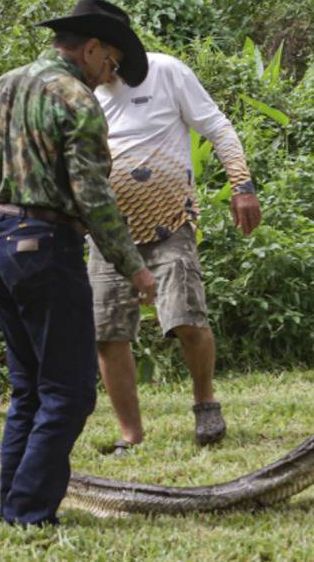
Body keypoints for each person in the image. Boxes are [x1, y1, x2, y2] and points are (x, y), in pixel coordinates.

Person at [0, 0, 158, 526]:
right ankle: (28, 513)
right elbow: (93, 195)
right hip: (46, 247)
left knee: (28, 389)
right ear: (90, 49)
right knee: (68, 393)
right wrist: (132, 263)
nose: (108, 75)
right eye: (110, 64)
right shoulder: (75, 99)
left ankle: (12, 507)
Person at [90, 53, 262, 452]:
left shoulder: (164, 71)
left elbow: (218, 127)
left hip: (171, 223)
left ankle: (205, 401)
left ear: (111, 49)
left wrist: (242, 186)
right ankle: (130, 434)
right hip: (108, 233)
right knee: (108, 332)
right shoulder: (82, 90)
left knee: (187, 317)